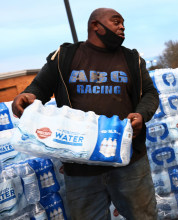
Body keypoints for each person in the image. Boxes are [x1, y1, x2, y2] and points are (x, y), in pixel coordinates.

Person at [12, 8, 159, 219]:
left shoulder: (131, 59)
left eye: (123, 23)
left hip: (129, 162)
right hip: (80, 168)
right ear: (95, 26)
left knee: (144, 216)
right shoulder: (65, 57)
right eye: (116, 21)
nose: (122, 26)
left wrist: (141, 115)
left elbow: (150, 94)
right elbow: (39, 88)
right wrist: (26, 96)